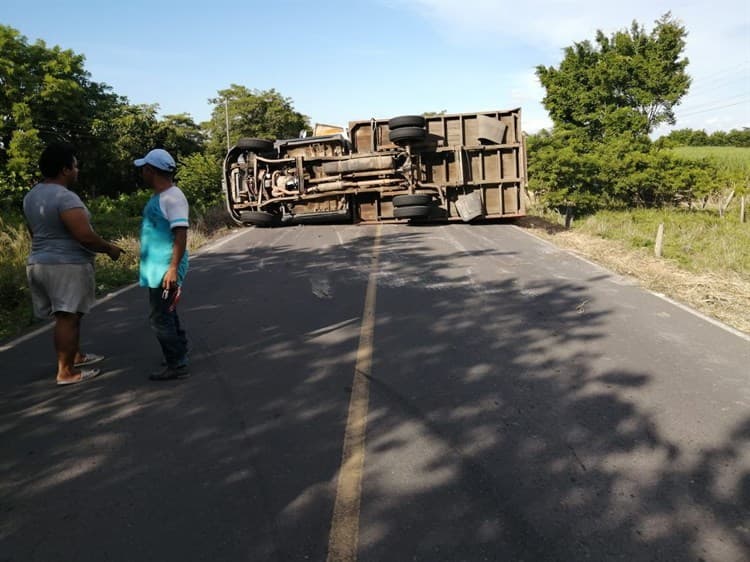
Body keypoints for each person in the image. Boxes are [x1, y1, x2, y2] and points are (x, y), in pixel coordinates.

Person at [23, 142, 124, 386]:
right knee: (67, 317)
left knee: (71, 314)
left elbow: (33, 232)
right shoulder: (65, 198)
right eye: (75, 166)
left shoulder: (31, 196)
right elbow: (84, 236)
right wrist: (110, 249)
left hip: (39, 262)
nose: (78, 171)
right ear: (65, 169)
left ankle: (76, 356)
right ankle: (66, 372)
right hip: (65, 265)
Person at [134, 148, 190, 381]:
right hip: (158, 267)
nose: (142, 173)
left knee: (160, 317)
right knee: (167, 312)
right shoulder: (162, 196)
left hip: (166, 268)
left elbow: (180, 235)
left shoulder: (172, 197)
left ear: (150, 170)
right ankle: (178, 354)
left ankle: (176, 363)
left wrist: (173, 268)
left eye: (144, 169)